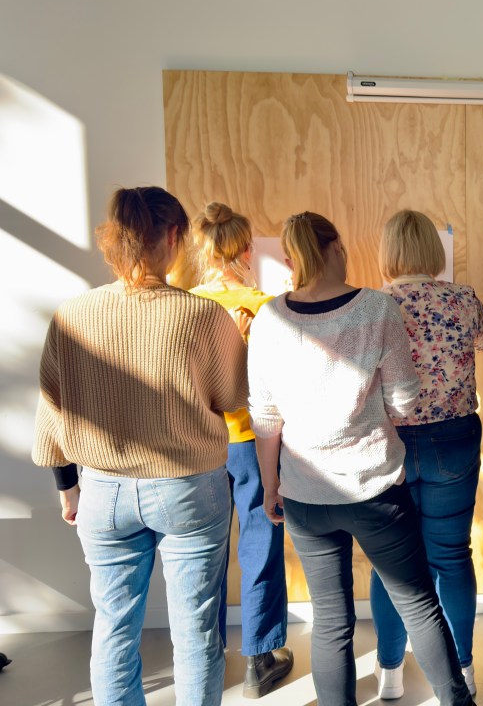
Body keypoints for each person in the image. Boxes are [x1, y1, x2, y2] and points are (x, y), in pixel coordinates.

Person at [247, 212, 473, 706]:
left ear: (291, 258)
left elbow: (265, 417)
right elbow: (404, 401)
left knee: (331, 622)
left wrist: (270, 485)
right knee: (419, 606)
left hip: (305, 495)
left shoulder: (268, 319)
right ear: (337, 248)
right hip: (374, 490)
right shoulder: (375, 307)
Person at [33, 186, 248, 705]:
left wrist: (67, 489)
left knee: (113, 627)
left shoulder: (71, 315)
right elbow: (233, 397)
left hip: (102, 491)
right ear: (173, 236)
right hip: (188, 489)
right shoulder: (202, 315)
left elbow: (51, 414)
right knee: (195, 631)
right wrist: (238, 341)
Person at [369, 209, 483, 698]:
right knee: (452, 557)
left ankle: (390, 672)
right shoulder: (462, 298)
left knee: (391, 563)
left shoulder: (373, 305)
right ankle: (463, 671)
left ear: (389, 252)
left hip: (392, 444)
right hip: (453, 441)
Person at [190, 202, 292, 698]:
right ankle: (259, 659)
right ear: (247, 250)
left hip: (200, 445)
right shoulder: (265, 306)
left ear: (204, 251)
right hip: (253, 443)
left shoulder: (187, 305)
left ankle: (205, 655)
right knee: (260, 546)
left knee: (203, 552)